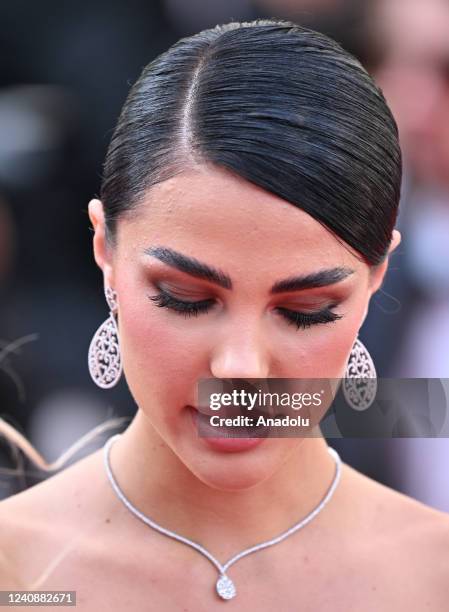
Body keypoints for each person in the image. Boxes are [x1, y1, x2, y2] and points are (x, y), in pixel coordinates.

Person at [0, 18, 448, 611]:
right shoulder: (17, 573)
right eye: (187, 298)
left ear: (376, 279)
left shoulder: (432, 575)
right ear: (104, 250)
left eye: (306, 310)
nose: (241, 368)